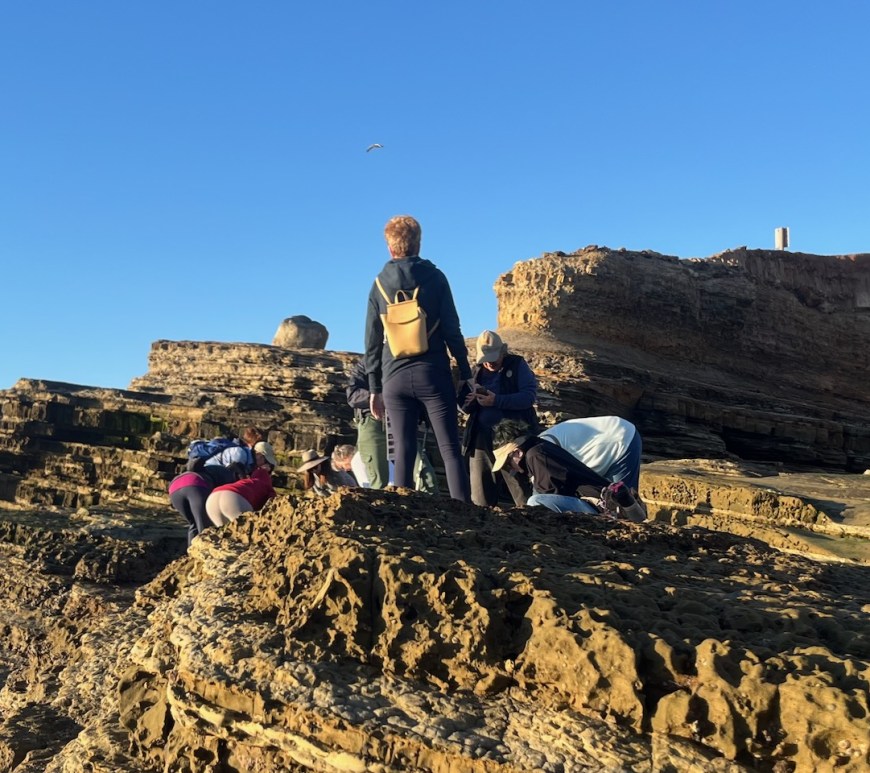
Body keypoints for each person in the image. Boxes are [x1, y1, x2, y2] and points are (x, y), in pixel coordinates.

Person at [365, 215, 471, 502]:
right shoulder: (436, 278)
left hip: (394, 377)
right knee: (450, 449)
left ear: (390, 247)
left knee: (403, 451)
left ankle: (403, 515)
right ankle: (466, 517)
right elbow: (452, 329)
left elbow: (372, 341)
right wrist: (466, 373)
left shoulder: (378, 284)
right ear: (419, 243)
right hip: (432, 374)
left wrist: (374, 388)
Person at [491, 418, 646, 519]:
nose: (511, 469)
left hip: (620, 440)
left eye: (508, 463)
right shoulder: (538, 447)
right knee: (615, 497)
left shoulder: (538, 456)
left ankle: (632, 517)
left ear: (517, 452)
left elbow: (548, 496)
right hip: (608, 440)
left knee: (621, 500)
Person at [458, 330, 538, 507]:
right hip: (481, 436)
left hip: (513, 435)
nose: (490, 362)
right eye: (485, 358)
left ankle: (527, 519)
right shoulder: (476, 372)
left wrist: (496, 400)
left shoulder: (517, 365)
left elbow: (528, 397)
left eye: (494, 357)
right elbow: (462, 407)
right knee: (480, 493)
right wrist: (472, 401)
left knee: (520, 488)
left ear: (503, 352)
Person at [205, 441, 278, 526]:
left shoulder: (248, 475)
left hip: (213, 497)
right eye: (267, 462)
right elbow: (272, 502)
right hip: (234, 499)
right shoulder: (264, 479)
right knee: (245, 534)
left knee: (221, 536)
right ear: (260, 456)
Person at [346, 359, 390, 488]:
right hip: (373, 420)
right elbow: (353, 396)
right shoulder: (365, 365)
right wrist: (380, 397)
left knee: (422, 472)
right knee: (378, 477)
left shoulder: (403, 361)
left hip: (401, 420)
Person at [168, 463, 236, 546]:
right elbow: (224, 496)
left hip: (174, 487)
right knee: (203, 524)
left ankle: (191, 553)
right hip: (195, 484)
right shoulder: (228, 475)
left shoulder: (215, 468)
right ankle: (205, 552)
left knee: (193, 524)